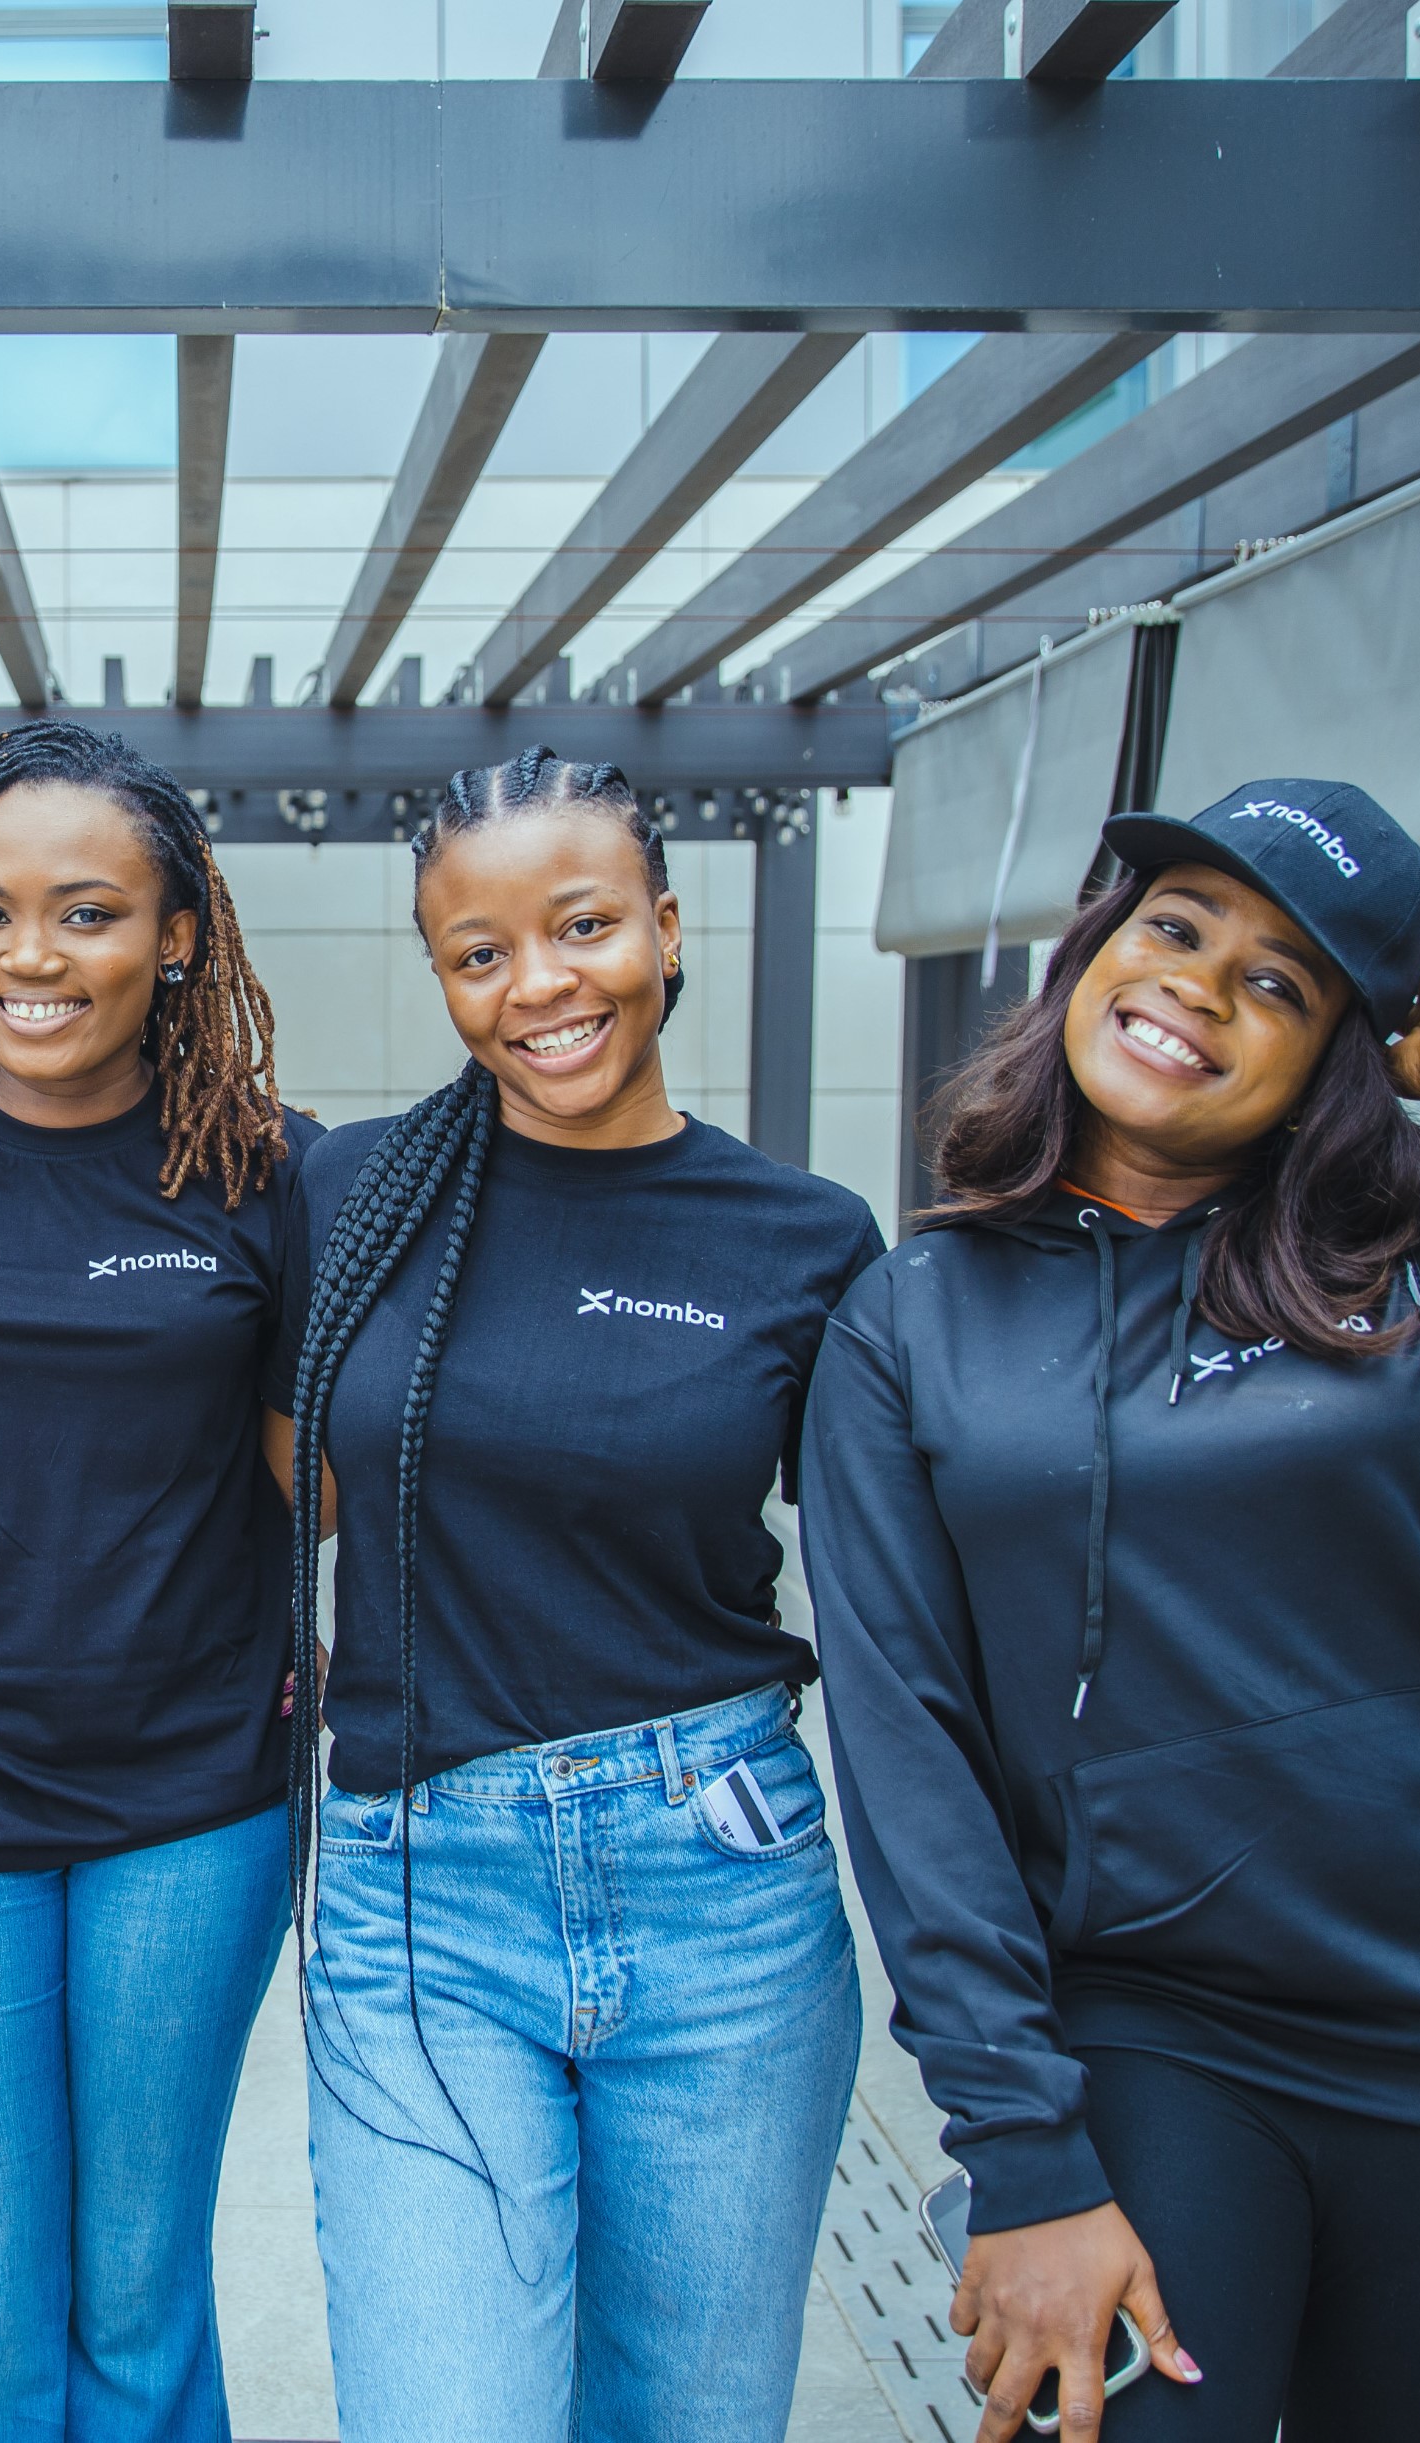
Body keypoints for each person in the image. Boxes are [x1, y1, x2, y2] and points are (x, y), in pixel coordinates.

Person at [803, 779, 1420, 2443]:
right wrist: (1020, 2151)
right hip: (1159, 2030)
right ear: (1094, 955)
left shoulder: (1416, 1270)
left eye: (1279, 980)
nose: (1198, 987)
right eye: (1175, 929)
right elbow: (909, 1757)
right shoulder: (913, 1316)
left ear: (1340, 1058)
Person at [269, 750, 886, 2443]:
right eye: (479, 953)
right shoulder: (361, 1194)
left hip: (722, 1883)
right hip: (421, 1901)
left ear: (666, 928)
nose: (538, 986)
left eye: (584, 925)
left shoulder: (804, 1239)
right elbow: (266, 1483)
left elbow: (899, 1608)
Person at [0, 720, 315, 2443]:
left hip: (195, 1799)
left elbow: (294, 1477)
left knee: (140, 2296)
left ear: (178, 935)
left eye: (87, 912)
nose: (32, 957)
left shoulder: (268, 1172)